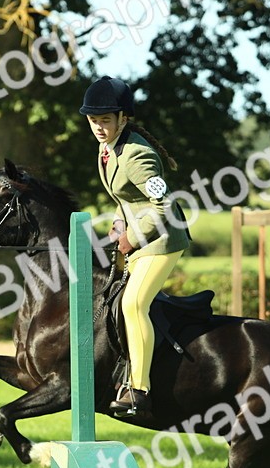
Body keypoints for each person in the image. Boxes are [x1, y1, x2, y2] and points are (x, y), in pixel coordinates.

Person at [79, 76, 191, 418]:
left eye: (105, 121)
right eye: (94, 121)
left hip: (164, 240)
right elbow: (125, 197)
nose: (98, 128)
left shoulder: (138, 155)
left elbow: (163, 206)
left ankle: (138, 391)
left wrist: (132, 237)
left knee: (133, 304)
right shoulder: (108, 148)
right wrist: (118, 221)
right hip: (143, 237)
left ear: (123, 119)